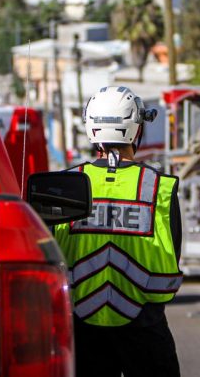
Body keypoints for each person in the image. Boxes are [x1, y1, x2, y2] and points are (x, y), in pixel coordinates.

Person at [53, 86, 183, 377]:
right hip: (144, 323)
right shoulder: (159, 187)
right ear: (136, 130)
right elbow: (174, 249)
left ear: (91, 127)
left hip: (80, 325)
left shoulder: (65, 184)